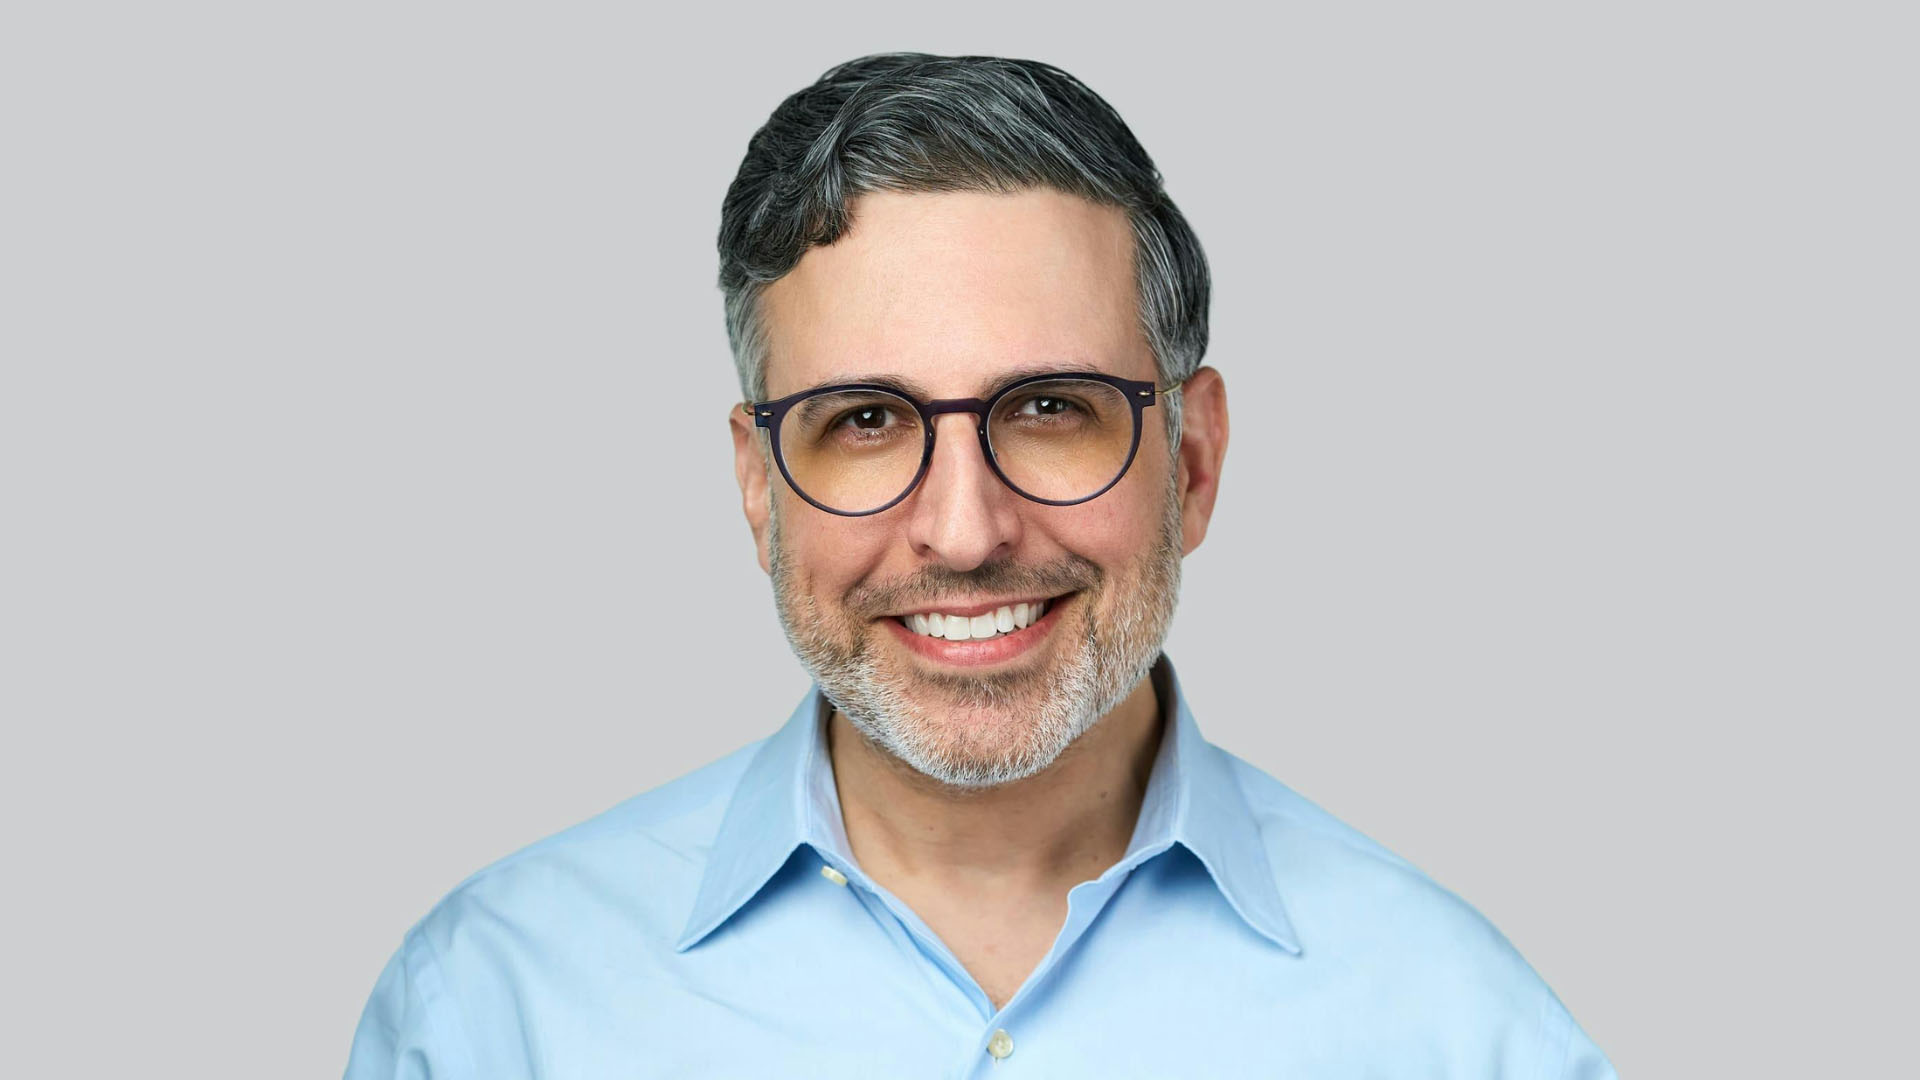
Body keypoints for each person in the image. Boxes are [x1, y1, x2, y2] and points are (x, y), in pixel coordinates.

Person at [345, 52, 1615, 1078]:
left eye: (1051, 409)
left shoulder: (1459, 1034)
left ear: (1195, 460)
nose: (966, 531)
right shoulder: (494, 1016)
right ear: (756, 485)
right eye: (866, 421)